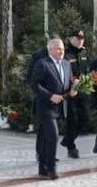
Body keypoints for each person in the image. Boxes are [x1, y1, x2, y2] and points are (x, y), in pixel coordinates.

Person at [30, 37, 75, 179]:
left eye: (62, 49)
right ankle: (51, 168)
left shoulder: (66, 64)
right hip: (46, 107)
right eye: (58, 49)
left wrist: (73, 89)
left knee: (45, 138)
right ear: (50, 50)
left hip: (60, 107)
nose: (61, 52)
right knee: (53, 136)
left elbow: (69, 82)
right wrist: (49, 96)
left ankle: (42, 167)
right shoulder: (42, 64)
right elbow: (34, 84)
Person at [61, 29, 89, 159]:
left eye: (82, 38)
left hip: (82, 91)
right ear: (71, 39)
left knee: (84, 118)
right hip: (70, 91)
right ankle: (71, 147)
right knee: (73, 120)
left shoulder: (84, 52)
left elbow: (86, 70)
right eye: (77, 38)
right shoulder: (66, 53)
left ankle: (67, 140)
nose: (80, 41)